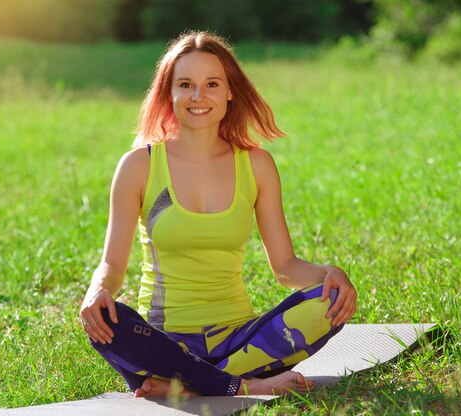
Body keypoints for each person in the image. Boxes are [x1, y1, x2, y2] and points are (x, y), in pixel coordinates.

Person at [80, 31, 357, 398]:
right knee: (109, 320)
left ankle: (188, 384)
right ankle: (238, 385)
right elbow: (112, 266)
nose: (199, 96)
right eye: (186, 85)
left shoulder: (256, 165)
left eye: (212, 83)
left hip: (240, 338)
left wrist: (329, 275)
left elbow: (285, 266)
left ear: (230, 91)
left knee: (325, 300)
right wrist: (96, 291)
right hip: (165, 341)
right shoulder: (139, 166)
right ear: (169, 93)